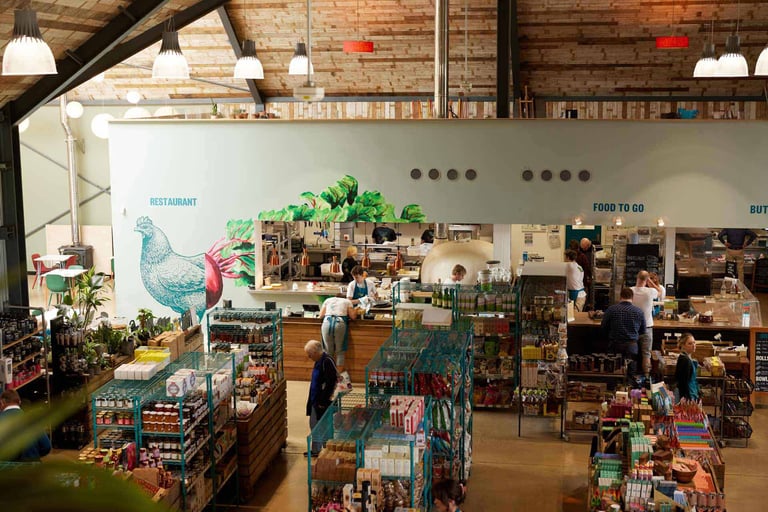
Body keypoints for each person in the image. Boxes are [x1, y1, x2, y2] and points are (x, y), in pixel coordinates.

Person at [601, 288, 646, 379]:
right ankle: (630, 386)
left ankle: (612, 386)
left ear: (620, 296)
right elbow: (643, 330)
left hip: (615, 343)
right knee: (631, 371)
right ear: (632, 298)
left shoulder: (611, 309)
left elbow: (604, 326)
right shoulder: (639, 311)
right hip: (632, 345)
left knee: (613, 370)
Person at [304, 339, 338, 456]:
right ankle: (317, 449)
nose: (309, 357)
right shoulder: (319, 361)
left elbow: (331, 383)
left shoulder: (327, 361)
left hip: (322, 402)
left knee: (323, 426)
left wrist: (323, 401)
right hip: (315, 400)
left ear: (316, 352)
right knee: (314, 424)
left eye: (310, 354)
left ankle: (327, 450)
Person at [0, 389, 51, 462]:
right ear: (19, 402)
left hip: (6, 467)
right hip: (31, 466)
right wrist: (33, 456)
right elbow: (46, 446)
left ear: (2, 402)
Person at [630, 271, 659, 376]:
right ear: (646, 280)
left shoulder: (630, 290)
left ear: (637, 278)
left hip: (632, 327)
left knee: (632, 354)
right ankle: (646, 377)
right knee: (646, 354)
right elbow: (660, 292)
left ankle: (631, 377)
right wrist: (650, 282)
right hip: (647, 327)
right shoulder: (650, 291)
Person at [319, 296, 357, 370]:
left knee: (327, 352)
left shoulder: (328, 300)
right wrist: (356, 310)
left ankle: (328, 374)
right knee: (340, 352)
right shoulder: (347, 301)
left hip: (326, 323)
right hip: (340, 323)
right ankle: (339, 375)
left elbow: (321, 315)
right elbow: (353, 317)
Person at [675, 333, 699, 402]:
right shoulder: (685, 361)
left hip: (692, 393)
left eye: (694, 342)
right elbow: (683, 383)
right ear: (683, 345)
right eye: (690, 343)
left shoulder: (686, 357)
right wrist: (688, 400)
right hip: (688, 396)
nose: (693, 345)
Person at [578, 238, 594, 309]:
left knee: (590, 292)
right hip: (583, 275)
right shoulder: (580, 252)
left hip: (590, 273)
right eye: (582, 248)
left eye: (584, 248)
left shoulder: (595, 248)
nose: (583, 249)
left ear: (588, 245)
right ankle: (586, 306)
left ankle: (589, 305)